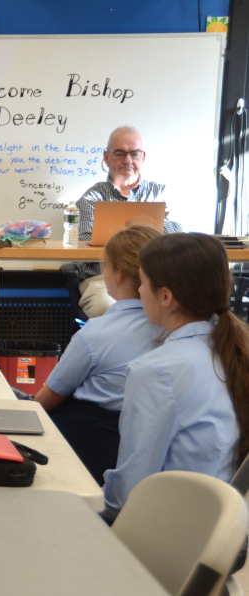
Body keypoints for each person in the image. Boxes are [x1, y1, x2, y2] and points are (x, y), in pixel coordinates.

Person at [101, 233, 249, 523]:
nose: (140, 290)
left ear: (166, 296)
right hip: (225, 529)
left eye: (142, 282)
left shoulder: (156, 370)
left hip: (171, 535)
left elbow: (128, 494)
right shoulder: (234, 349)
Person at [34, 226, 162, 484]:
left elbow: (46, 400)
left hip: (91, 452)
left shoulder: (96, 334)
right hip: (146, 456)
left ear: (117, 273)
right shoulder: (176, 330)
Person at [74, 126, 183, 318]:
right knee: (106, 309)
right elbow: (86, 244)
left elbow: (178, 236)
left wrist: (135, 227)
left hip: (154, 278)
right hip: (104, 277)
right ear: (106, 157)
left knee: (178, 307)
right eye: (120, 154)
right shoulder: (92, 197)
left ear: (143, 157)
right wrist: (144, 233)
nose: (128, 160)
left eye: (134, 153)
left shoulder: (159, 193)